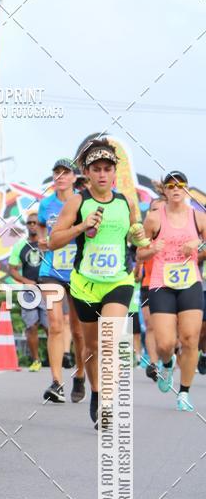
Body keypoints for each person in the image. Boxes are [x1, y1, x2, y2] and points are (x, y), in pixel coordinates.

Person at [50, 138, 140, 430]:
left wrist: (141, 241)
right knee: (90, 347)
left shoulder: (125, 201)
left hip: (119, 281)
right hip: (85, 283)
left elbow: (135, 238)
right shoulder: (79, 201)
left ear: (115, 173)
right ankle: (97, 391)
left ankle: (109, 401)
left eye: (107, 169)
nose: (102, 174)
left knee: (110, 342)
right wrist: (81, 226)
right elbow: (53, 241)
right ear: (87, 173)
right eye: (96, 169)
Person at [136, 171, 206, 411]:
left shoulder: (198, 218)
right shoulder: (154, 219)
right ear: (164, 190)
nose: (176, 189)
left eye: (181, 185)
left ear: (186, 190)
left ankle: (184, 392)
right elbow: (140, 253)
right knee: (165, 343)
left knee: (190, 338)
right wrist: (153, 248)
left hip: (190, 283)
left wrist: (198, 245)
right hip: (161, 283)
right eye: (171, 186)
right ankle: (167, 363)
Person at [37, 158, 86, 403]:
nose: (61, 176)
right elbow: (40, 233)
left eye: (65, 173)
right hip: (52, 270)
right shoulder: (46, 205)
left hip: (78, 271)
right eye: (57, 172)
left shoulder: (83, 202)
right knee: (55, 323)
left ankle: (79, 374)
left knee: (78, 330)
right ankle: (56, 382)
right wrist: (42, 241)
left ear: (74, 178)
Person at [8, 211, 48, 371]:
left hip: (48, 290)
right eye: (30, 223)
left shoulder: (48, 243)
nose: (33, 225)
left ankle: (56, 359)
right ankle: (36, 360)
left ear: (41, 225)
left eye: (36, 222)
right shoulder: (20, 246)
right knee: (31, 326)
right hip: (29, 292)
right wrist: (26, 281)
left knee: (50, 327)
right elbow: (12, 269)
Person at [138, 197, 164, 381]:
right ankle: (154, 364)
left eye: (160, 209)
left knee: (170, 330)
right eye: (153, 209)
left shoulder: (176, 229)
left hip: (171, 284)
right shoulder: (144, 233)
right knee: (149, 324)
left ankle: (169, 357)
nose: (156, 213)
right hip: (148, 283)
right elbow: (139, 257)